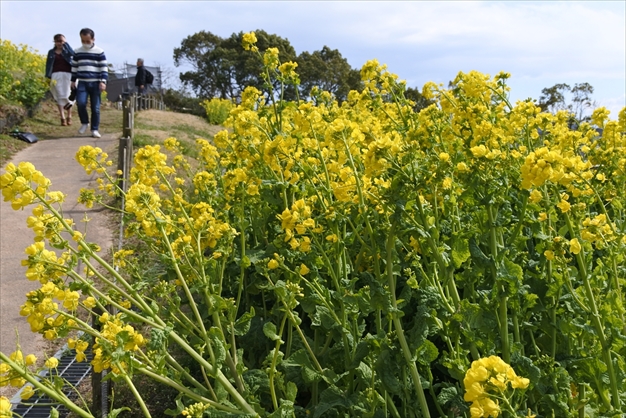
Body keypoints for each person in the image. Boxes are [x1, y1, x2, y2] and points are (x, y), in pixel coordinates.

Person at [71, 28, 107, 138]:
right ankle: (85, 122)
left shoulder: (99, 52)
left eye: (88, 41)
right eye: (83, 41)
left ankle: (94, 129)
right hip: (82, 82)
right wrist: (73, 80)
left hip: (96, 82)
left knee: (95, 108)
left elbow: (103, 68)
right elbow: (74, 66)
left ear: (93, 39)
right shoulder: (77, 51)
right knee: (81, 103)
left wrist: (103, 81)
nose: (85, 43)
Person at [45, 34, 75, 126]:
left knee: (68, 96)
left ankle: (69, 116)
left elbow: (73, 54)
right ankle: (62, 117)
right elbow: (48, 65)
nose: (59, 43)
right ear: (54, 42)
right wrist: (47, 77)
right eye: (57, 41)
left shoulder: (67, 51)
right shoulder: (51, 52)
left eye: (61, 41)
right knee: (59, 96)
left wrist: (66, 45)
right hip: (56, 75)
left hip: (68, 74)